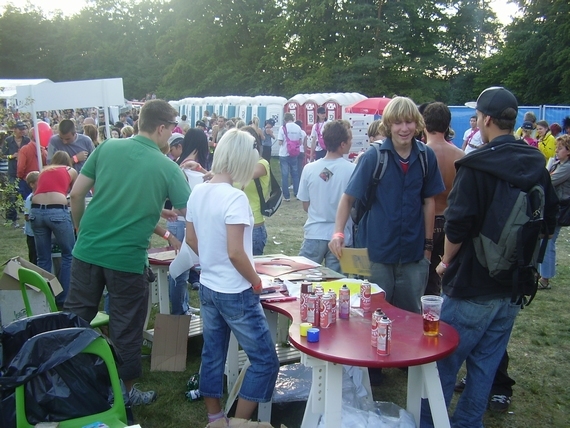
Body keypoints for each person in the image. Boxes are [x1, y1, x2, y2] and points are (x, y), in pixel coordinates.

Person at [420, 87, 558, 428]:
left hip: (472, 283)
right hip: (514, 285)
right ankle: (468, 422)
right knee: (486, 364)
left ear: (485, 119)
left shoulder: (477, 164)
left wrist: (445, 261)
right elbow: (549, 221)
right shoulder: (536, 163)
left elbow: (457, 224)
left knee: (443, 362)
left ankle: (429, 423)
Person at [64, 99, 191, 406]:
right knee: (127, 328)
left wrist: (80, 229)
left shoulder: (107, 147)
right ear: (161, 128)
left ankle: (67, 382)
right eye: (173, 128)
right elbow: (194, 211)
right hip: (126, 261)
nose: (173, 135)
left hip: (88, 251)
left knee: (75, 320)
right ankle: (125, 394)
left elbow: (78, 194)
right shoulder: (167, 167)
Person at [185, 128, 279, 425]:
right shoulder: (235, 198)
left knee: (212, 354)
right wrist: (256, 281)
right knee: (265, 361)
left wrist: (210, 261)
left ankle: (215, 417)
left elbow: (191, 238)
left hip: (209, 284)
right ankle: (238, 422)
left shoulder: (199, 190)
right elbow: (237, 253)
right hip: (235, 290)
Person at [329, 97, 444, 314]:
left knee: (409, 316)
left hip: (413, 254)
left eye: (409, 122)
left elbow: (429, 202)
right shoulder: (374, 156)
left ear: (417, 124)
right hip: (376, 254)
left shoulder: (425, 156)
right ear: (388, 124)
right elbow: (348, 198)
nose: (404, 128)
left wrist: (428, 248)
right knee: (373, 314)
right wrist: (338, 234)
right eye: (397, 122)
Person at [297, 120, 355, 273]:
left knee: (303, 280)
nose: (351, 143)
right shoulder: (353, 170)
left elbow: (305, 205)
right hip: (341, 235)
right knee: (336, 284)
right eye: (350, 139)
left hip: (314, 232)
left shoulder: (309, 169)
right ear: (342, 144)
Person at [422, 102, 464, 295]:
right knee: (447, 278)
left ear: (424, 124)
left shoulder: (421, 154)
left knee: (425, 279)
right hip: (451, 223)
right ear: (448, 126)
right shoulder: (460, 156)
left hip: (426, 223)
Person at [30, 151, 78, 306]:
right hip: (57, 210)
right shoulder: (70, 171)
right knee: (68, 255)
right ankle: (63, 298)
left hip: (36, 211)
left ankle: (43, 298)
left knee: (43, 257)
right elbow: (76, 193)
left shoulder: (44, 170)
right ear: (68, 162)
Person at [538, 134, 570, 290]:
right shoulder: (558, 163)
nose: (556, 150)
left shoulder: (567, 167)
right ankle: (540, 274)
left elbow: (549, 181)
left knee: (548, 242)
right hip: (553, 207)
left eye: (560, 148)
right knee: (543, 241)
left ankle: (545, 278)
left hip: (560, 209)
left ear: (568, 151)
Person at [240, 126, 270, 256]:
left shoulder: (262, 164)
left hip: (254, 226)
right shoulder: (235, 166)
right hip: (235, 224)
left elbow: (242, 175)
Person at [2, 121, 30, 227]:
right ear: (15, 130)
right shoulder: (8, 141)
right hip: (12, 171)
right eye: (20, 129)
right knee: (11, 195)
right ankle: (12, 219)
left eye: (24, 129)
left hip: (25, 171)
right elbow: (3, 155)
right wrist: (11, 156)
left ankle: (28, 218)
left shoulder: (27, 140)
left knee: (25, 196)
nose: (22, 131)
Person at [276, 112, 303, 202]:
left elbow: (280, 142)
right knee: (295, 174)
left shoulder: (283, 128)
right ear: (292, 118)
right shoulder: (298, 127)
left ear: (285, 119)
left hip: (284, 153)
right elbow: (300, 142)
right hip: (294, 154)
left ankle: (286, 196)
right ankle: (297, 193)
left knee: (285, 175)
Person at [23, 171, 40, 265]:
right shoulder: (30, 199)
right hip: (31, 234)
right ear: (32, 184)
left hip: (38, 233)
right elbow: (26, 216)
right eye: (39, 181)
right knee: (33, 255)